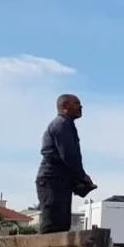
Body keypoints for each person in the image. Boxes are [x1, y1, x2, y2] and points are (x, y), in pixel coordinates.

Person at [36, 94, 95, 234]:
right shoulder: (61, 124)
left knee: (61, 224)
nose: (80, 106)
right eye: (76, 103)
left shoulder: (66, 125)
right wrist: (82, 176)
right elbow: (68, 155)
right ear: (65, 106)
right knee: (53, 225)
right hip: (52, 180)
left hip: (60, 180)